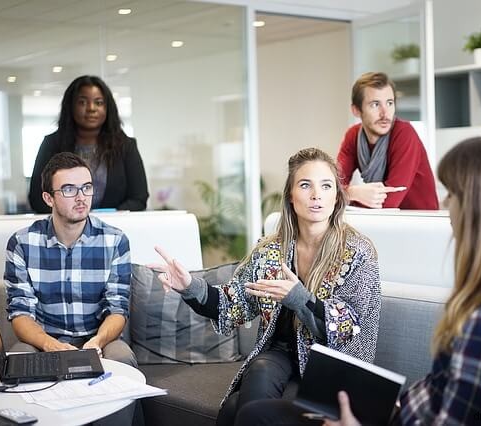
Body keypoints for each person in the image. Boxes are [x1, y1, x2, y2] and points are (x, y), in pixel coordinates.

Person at [235, 137, 481, 426]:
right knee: (252, 410)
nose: (446, 205)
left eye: (454, 194)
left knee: (257, 417)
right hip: (401, 410)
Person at [150, 147, 381, 425]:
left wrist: (298, 298)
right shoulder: (271, 249)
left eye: (326, 186)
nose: (316, 195)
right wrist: (189, 286)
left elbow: (347, 327)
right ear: (291, 197)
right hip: (281, 353)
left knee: (236, 408)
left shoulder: (358, 252)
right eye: (305, 185)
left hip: (333, 364)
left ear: (336, 197)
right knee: (259, 370)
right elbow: (232, 303)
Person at [5, 152, 137, 368]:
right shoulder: (22, 243)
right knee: (17, 359)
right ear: (49, 198)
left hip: (99, 340)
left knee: (122, 358)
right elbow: (20, 313)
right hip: (43, 340)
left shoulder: (115, 241)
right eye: (69, 189)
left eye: (87, 187)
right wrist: (51, 345)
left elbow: (118, 309)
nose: (81, 197)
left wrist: (97, 342)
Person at [28, 75, 149, 213]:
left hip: (114, 227)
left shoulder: (126, 146)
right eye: (82, 102)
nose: (91, 108)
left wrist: (108, 218)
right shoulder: (52, 144)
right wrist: (73, 217)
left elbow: (139, 198)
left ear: (108, 108)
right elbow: (37, 199)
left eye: (99, 102)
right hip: (64, 229)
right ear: (70, 106)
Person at [337, 72, 438, 210]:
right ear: (356, 110)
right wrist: (352, 193)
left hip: (420, 222)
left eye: (389, 103)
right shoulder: (353, 136)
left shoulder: (404, 133)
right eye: (375, 104)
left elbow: (390, 201)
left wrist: (347, 195)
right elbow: (332, 187)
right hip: (383, 221)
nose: (385, 113)